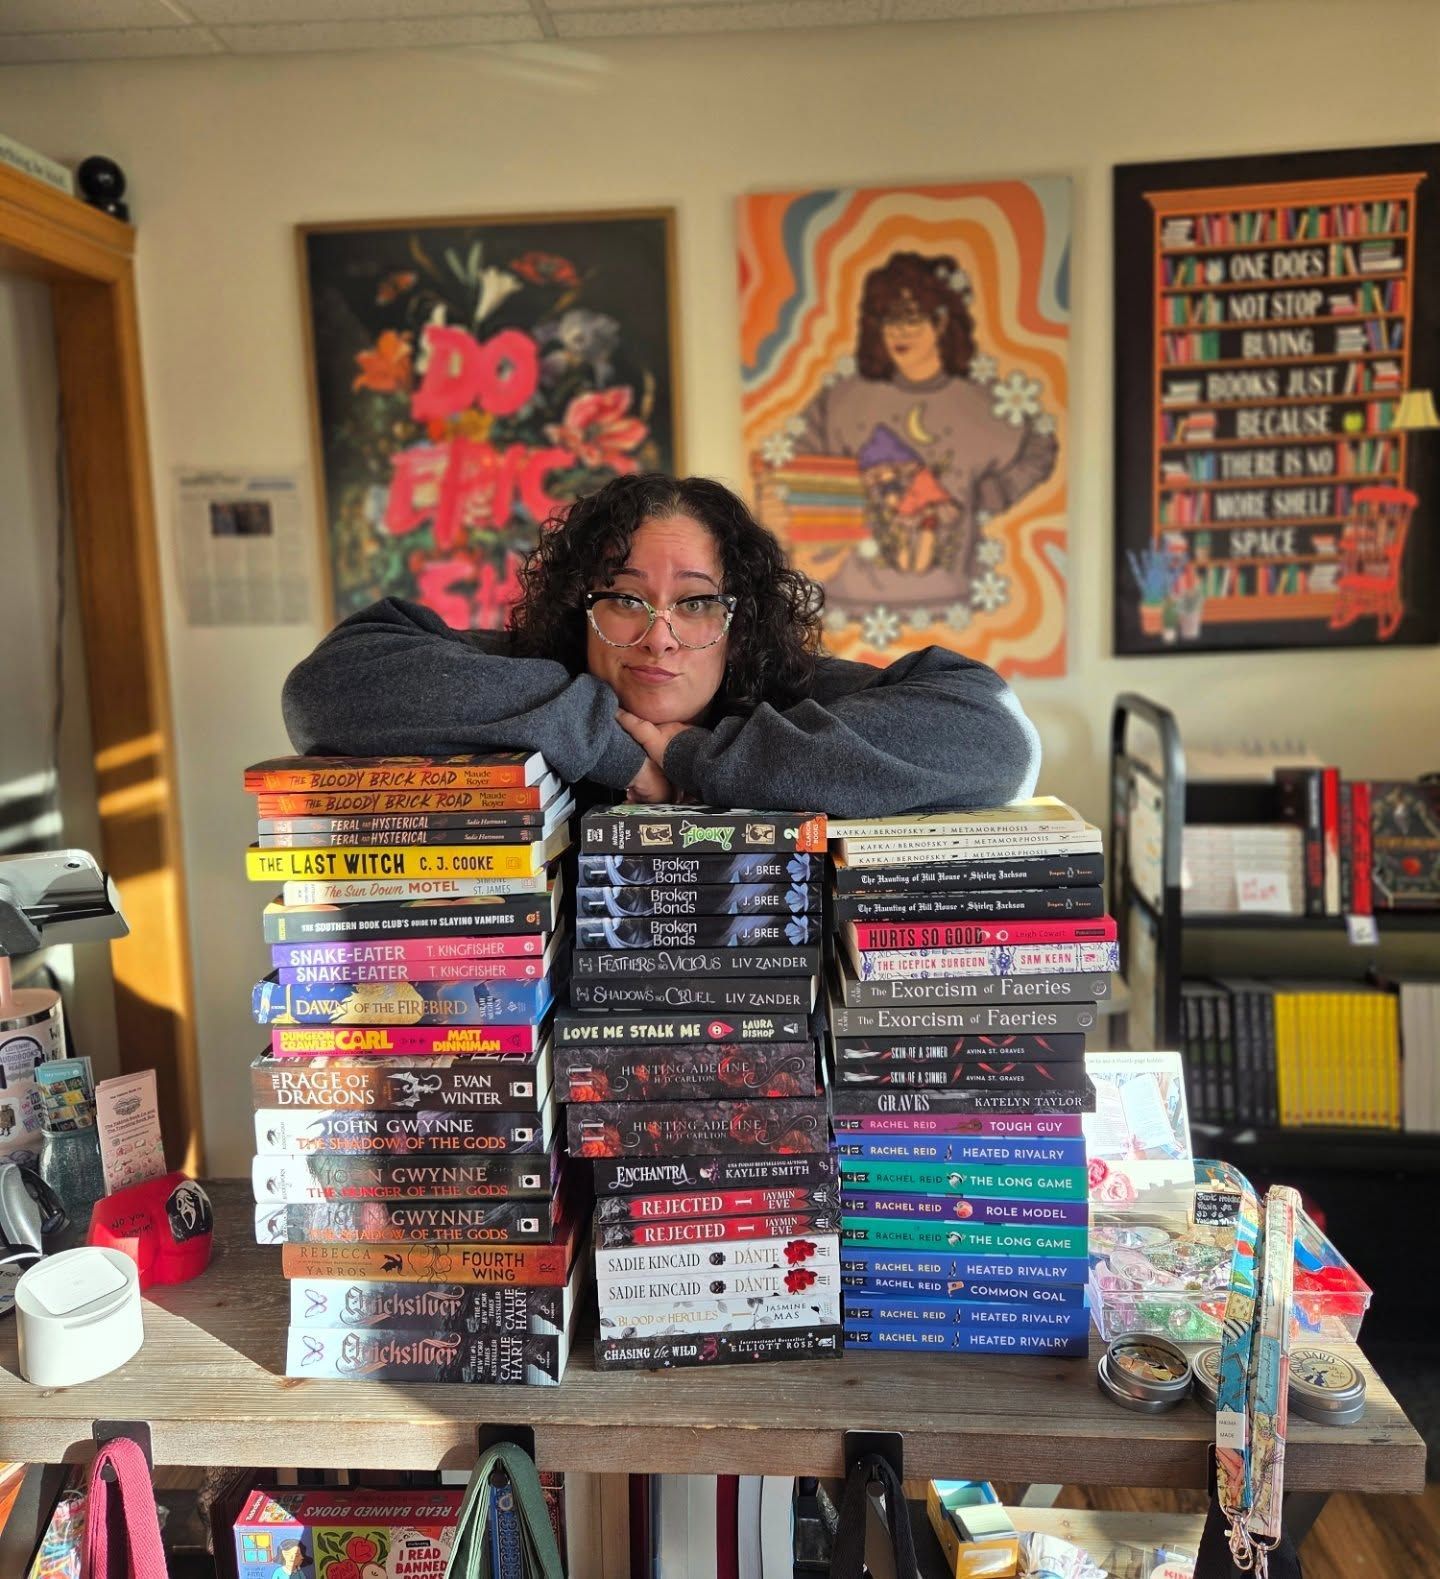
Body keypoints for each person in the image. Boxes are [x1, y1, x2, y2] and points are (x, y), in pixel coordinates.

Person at [282, 473, 1040, 816]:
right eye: (624, 598)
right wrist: (612, 746)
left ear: (738, 619)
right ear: (581, 605)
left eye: (697, 602)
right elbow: (324, 690)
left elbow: (1000, 740)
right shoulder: (532, 677)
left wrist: (693, 761)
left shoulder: (787, 694)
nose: (660, 637)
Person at [759, 250, 1058, 609]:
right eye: (888, 318)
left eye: (911, 317)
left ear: (943, 321)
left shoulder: (982, 402)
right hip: (851, 600)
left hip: (950, 598)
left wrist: (998, 491)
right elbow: (790, 463)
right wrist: (779, 505)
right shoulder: (844, 397)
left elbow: (1041, 443)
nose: (899, 330)